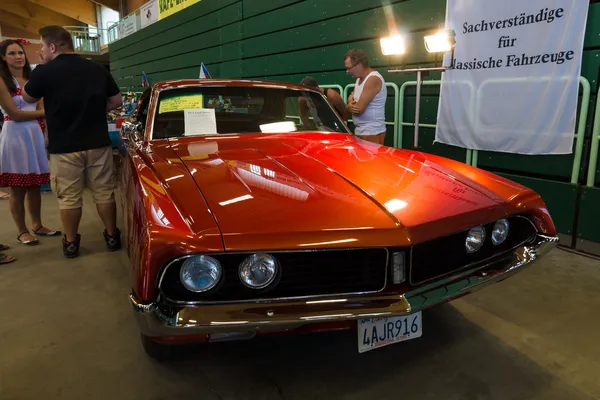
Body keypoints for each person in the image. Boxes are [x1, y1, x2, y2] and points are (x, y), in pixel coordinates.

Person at [21, 26, 123, 258]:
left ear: (53, 46)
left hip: (64, 146)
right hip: (98, 142)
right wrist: (96, 110)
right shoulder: (97, 68)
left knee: (69, 197)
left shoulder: (45, 72)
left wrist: (40, 70)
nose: (43, 52)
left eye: (43, 47)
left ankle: (70, 243)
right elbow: (116, 101)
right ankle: (111, 236)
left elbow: (28, 97)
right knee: (104, 193)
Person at [0, 38, 61, 246]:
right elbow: (15, 114)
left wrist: (45, 131)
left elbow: (39, 105)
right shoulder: (1, 80)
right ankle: (22, 230)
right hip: (15, 135)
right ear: (2, 57)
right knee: (18, 187)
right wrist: (48, 114)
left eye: (20, 53)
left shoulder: (32, 78)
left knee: (35, 184)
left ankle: (37, 224)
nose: (18, 57)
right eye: (12, 53)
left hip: (34, 133)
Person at [343, 49, 387, 145]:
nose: (348, 71)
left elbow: (358, 109)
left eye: (349, 68)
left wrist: (348, 105)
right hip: (362, 131)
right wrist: (351, 102)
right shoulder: (359, 79)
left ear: (358, 64)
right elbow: (351, 98)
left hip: (372, 133)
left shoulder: (372, 79)